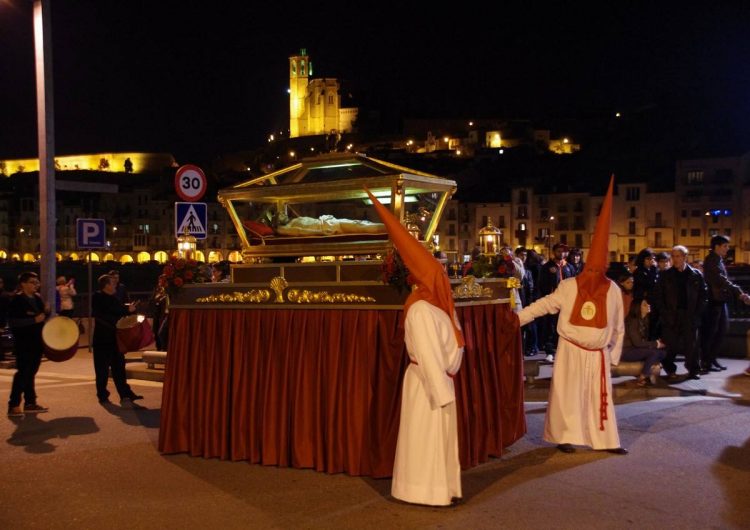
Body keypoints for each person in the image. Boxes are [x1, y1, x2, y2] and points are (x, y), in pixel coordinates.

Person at [366, 188, 464, 506]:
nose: (444, 275)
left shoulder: (436, 305)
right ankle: (424, 491)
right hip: (428, 384)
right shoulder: (421, 309)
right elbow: (430, 356)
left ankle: (442, 489)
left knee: (438, 439)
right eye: (439, 272)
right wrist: (442, 390)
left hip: (439, 381)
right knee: (426, 438)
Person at [518, 177, 627, 455]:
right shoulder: (568, 286)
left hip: (597, 354)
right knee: (567, 396)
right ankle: (565, 435)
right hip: (570, 348)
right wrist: (517, 318)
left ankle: (605, 440)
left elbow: (618, 325)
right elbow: (544, 304)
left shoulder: (612, 288)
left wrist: (613, 355)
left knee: (598, 397)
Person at [653, 245, 707, 380]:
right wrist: (665, 314)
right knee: (671, 345)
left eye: (678, 256)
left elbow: (703, 296)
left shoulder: (696, 275)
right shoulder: (665, 275)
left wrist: (697, 314)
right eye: (673, 256)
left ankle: (694, 370)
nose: (675, 259)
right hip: (672, 315)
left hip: (689, 315)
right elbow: (659, 297)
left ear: (685, 257)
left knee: (692, 345)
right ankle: (670, 370)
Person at [700, 235, 750, 373]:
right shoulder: (711, 261)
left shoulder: (718, 260)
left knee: (720, 331)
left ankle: (711, 359)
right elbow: (722, 280)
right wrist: (739, 292)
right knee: (713, 332)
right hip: (713, 302)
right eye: (725, 246)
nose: (727, 249)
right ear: (716, 246)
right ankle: (706, 361)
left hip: (720, 300)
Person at [92, 274, 142, 404]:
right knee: (102, 369)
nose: (116, 286)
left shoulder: (113, 298)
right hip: (102, 339)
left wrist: (129, 311)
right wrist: (126, 309)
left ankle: (125, 393)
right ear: (106, 286)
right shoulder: (98, 297)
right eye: (113, 284)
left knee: (119, 367)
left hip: (115, 339)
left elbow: (119, 312)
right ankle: (102, 395)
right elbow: (110, 312)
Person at [7, 272, 50, 416]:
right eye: (32, 282)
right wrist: (33, 320)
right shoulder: (17, 300)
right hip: (23, 342)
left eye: (36, 282)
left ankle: (30, 402)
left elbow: (42, 317)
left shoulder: (37, 298)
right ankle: (13, 404)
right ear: (23, 284)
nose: (36, 284)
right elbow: (14, 322)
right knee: (23, 373)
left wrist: (47, 312)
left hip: (37, 342)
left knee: (30, 373)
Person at [536, 242, 575, 362]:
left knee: (565, 326)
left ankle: (562, 351)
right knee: (551, 326)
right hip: (553, 301)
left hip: (567, 302)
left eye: (563, 251)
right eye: (559, 251)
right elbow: (541, 284)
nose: (561, 253)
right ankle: (550, 351)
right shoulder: (547, 267)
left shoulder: (569, 267)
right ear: (554, 252)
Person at [621, 299, 666, 386]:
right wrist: (655, 344)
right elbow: (637, 342)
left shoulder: (644, 320)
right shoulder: (632, 321)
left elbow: (643, 341)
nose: (648, 306)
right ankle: (643, 376)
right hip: (627, 350)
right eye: (644, 305)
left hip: (636, 349)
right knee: (654, 353)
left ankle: (646, 373)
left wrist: (656, 344)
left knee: (662, 353)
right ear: (638, 308)